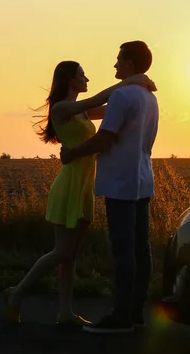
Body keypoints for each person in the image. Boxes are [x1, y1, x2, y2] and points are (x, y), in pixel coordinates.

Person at [3, 60, 157, 326]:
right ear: (69, 80)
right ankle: (17, 292)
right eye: (82, 75)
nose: (87, 79)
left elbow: (118, 106)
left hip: (85, 183)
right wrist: (131, 81)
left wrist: (139, 90)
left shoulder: (85, 112)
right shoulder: (64, 108)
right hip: (69, 184)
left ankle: (65, 313)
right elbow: (102, 98)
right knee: (62, 251)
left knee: (70, 254)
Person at [60, 41, 159, 334]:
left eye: (118, 60)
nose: (115, 65)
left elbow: (105, 139)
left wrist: (73, 153)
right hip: (141, 178)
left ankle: (120, 316)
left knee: (123, 250)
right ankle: (136, 312)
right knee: (141, 249)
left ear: (129, 63)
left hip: (119, 181)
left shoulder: (123, 96)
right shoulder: (149, 97)